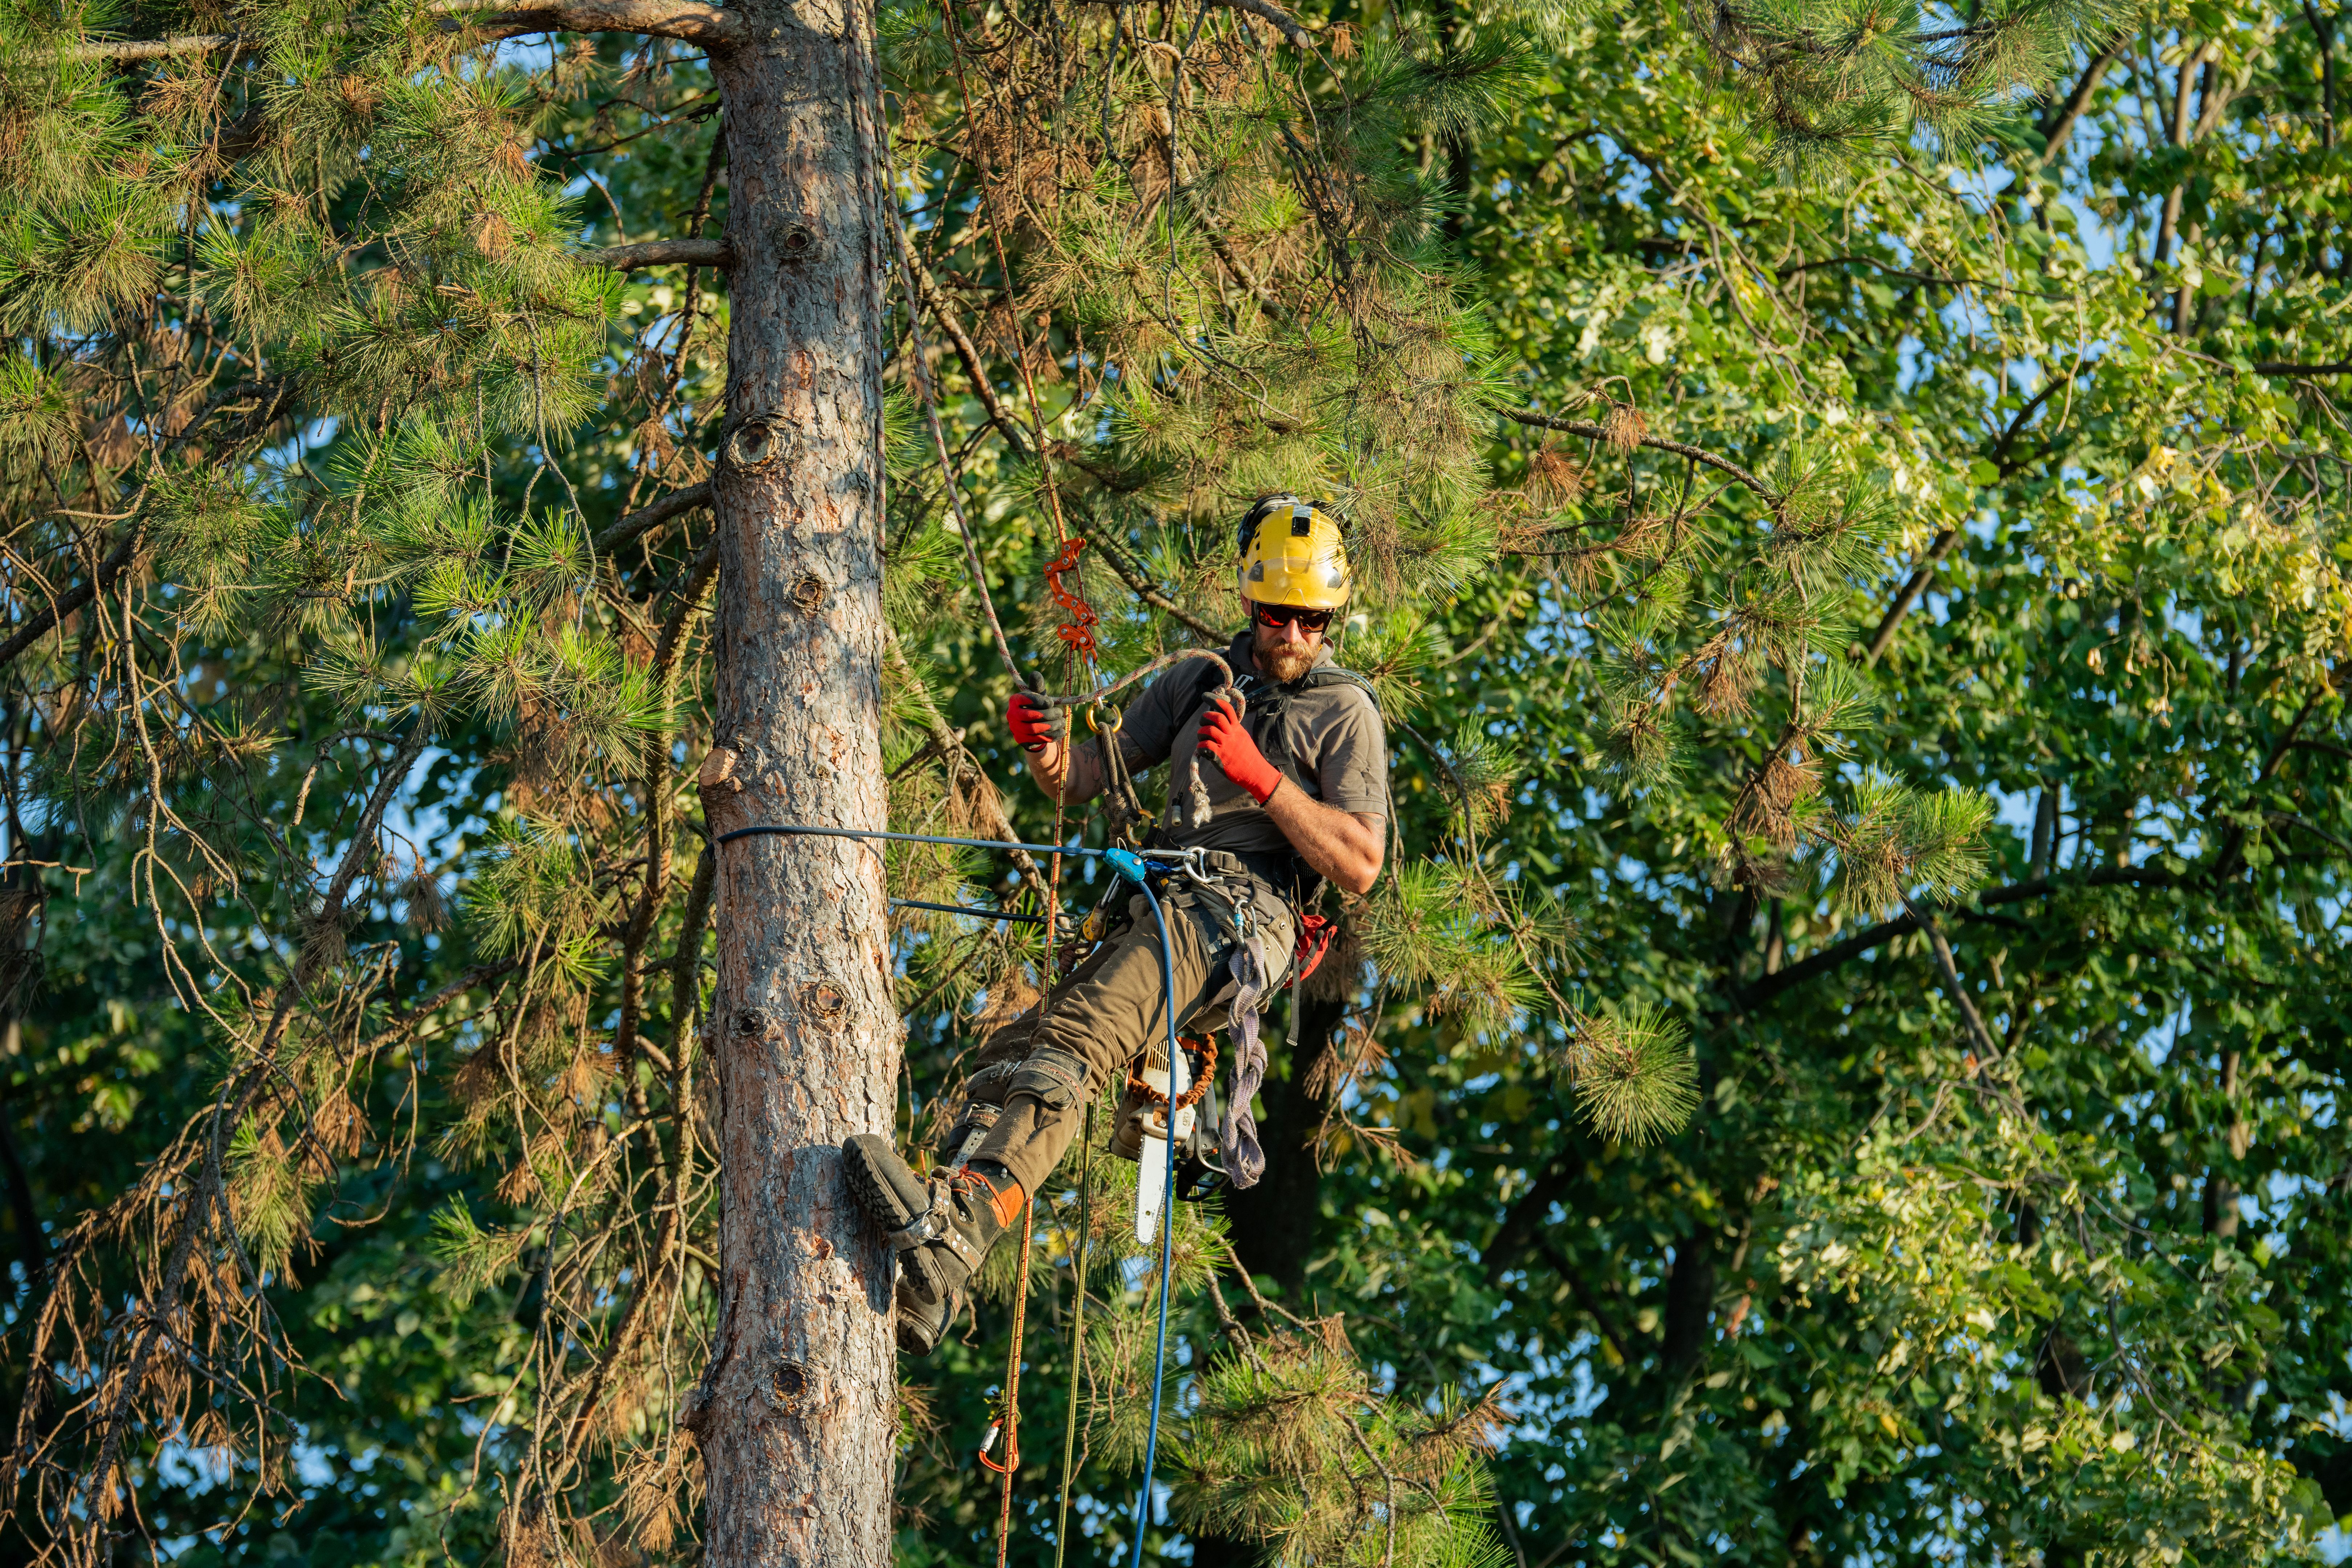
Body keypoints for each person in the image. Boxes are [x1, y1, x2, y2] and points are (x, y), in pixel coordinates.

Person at [842, 496, 1393, 1355]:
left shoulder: (1344, 711)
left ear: (1333, 618)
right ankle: (934, 1264)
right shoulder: (1200, 681)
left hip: (1242, 920)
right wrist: (1046, 751)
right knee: (1017, 1047)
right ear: (1250, 603)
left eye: (1313, 621)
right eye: (1278, 616)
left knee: (1082, 1035)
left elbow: (1360, 861)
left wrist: (1260, 777)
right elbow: (1085, 777)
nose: (1294, 635)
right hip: (1161, 905)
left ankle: (960, 1231)